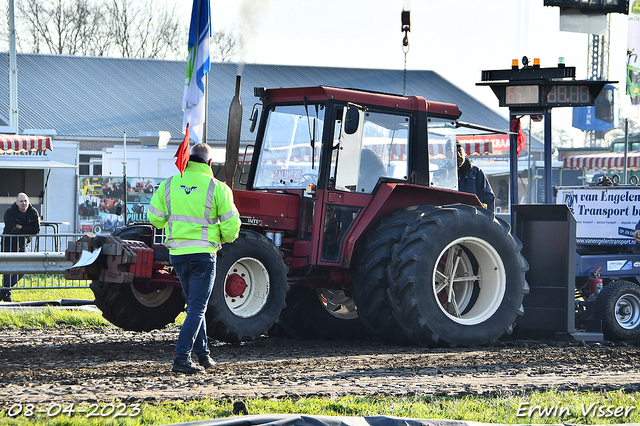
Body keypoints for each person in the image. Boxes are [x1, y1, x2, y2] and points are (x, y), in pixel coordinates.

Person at [148, 143, 241, 375]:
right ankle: (181, 357)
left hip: (178, 256)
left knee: (194, 307)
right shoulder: (218, 187)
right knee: (198, 308)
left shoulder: (169, 184)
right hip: (203, 256)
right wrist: (219, 235)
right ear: (209, 164)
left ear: (188, 159)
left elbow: (155, 219)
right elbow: (232, 229)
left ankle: (203, 355)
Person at [2, 193, 41, 302]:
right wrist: (26, 229)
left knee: (22, 269)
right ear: (17, 202)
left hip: (23, 244)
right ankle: (6, 294)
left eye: (25, 201)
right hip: (8, 244)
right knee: (7, 269)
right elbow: (12, 229)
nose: (24, 203)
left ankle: (3, 291)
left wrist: (22, 227)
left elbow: (36, 230)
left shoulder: (33, 212)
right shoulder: (10, 212)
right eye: (21, 201)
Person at [457, 142, 495, 212]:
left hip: (474, 218)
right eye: (454, 152)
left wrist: (489, 219)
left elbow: (489, 198)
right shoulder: (443, 174)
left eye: (460, 151)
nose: (458, 155)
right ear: (448, 156)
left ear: (464, 153)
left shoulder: (476, 173)